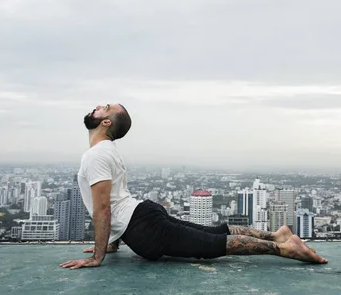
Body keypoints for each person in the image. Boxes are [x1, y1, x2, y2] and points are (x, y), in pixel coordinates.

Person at [60, 103, 327, 270]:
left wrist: (97, 256)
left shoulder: (96, 155)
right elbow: (114, 201)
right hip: (143, 215)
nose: (97, 106)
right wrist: (112, 244)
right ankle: (276, 236)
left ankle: (284, 249)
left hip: (144, 228)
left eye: (103, 108)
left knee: (211, 244)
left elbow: (104, 209)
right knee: (213, 233)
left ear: (105, 123)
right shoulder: (107, 151)